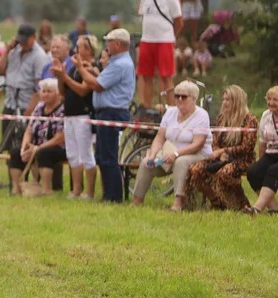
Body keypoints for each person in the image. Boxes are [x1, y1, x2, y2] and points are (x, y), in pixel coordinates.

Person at [132, 80, 213, 211]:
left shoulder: (202, 115)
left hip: (197, 154)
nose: (179, 99)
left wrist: (176, 154)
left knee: (181, 162)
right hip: (170, 153)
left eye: (184, 96)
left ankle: (178, 203)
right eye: (177, 96)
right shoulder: (170, 113)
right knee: (146, 162)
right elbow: (159, 137)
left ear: (193, 98)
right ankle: (137, 200)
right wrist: (153, 154)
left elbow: (198, 144)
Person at [75, 28, 135, 203]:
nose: (106, 45)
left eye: (109, 41)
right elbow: (103, 80)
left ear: (117, 44)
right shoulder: (120, 62)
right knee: (103, 155)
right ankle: (108, 194)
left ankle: (114, 197)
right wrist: (93, 72)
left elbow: (97, 85)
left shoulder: (119, 64)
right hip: (108, 112)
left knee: (108, 157)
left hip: (112, 112)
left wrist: (80, 68)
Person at [184, 85, 257, 211]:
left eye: (228, 100)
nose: (224, 103)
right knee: (195, 170)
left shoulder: (249, 120)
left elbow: (247, 147)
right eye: (223, 99)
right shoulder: (221, 118)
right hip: (221, 158)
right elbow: (215, 140)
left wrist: (224, 151)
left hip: (242, 159)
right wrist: (218, 152)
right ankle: (217, 202)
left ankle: (242, 204)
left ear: (237, 101)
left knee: (225, 173)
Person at [51, 34, 99, 199]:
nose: (75, 50)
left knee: (86, 153)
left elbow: (83, 89)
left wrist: (65, 77)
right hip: (70, 114)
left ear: (88, 49)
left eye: (78, 47)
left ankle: (90, 192)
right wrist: (60, 76)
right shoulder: (73, 67)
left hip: (83, 115)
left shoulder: (91, 67)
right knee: (72, 153)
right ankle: (76, 189)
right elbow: (63, 92)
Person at [8, 78, 66, 196]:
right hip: (34, 146)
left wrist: (37, 148)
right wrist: (25, 146)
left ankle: (46, 189)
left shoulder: (62, 110)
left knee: (44, 153)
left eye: (49, 91)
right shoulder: (39, 107)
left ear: (57, 93)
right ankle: (16, 189)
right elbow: (29, 130)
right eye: (43, 91)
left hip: (58, 147)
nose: (45, 94)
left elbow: (60, 137)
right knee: (15, 152)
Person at [137, 0, 183, 107]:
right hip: (147, 39)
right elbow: (142, 15)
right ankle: (147, 105)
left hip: (164, 40)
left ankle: (168, 107)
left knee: (166, 76)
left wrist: (171, 35)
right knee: (146, 75)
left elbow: (178, 21)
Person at [0, 24, 48, 118]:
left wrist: (30, 109)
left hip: (26, 106)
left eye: (25, 40)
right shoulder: (13, 50)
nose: (22, 43)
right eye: (20, 40)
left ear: (34, 38)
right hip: (10, 104)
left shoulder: (40, 56)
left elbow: (39, 86)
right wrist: (7, 50)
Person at [244, 86, 278, 215]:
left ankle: (256, 209)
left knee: (273, 170)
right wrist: (260, 162)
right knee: (254, 172)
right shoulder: (266, 115)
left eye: (275, 100)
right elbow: (262, 142)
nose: (271, 103)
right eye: (269, 99)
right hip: (271, 153)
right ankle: (274, 208)